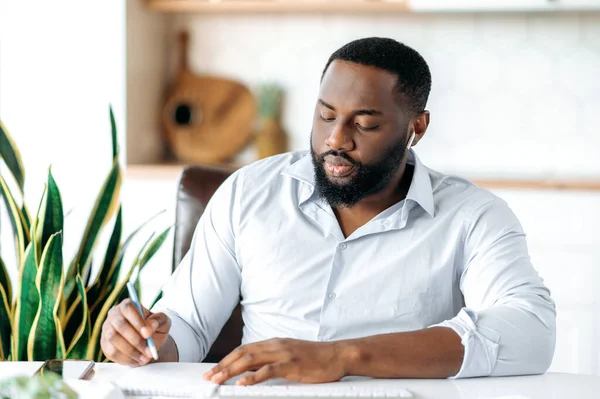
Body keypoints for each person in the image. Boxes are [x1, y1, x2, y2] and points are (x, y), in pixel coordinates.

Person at [101, 37, 556, 384]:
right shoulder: (248, 192)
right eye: (325, 115)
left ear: (416, 126)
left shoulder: (473, 216)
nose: (337, 139)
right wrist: (145, 343)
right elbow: (187, 324)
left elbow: (529, 333)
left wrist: (341, 356)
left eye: (365, 123)